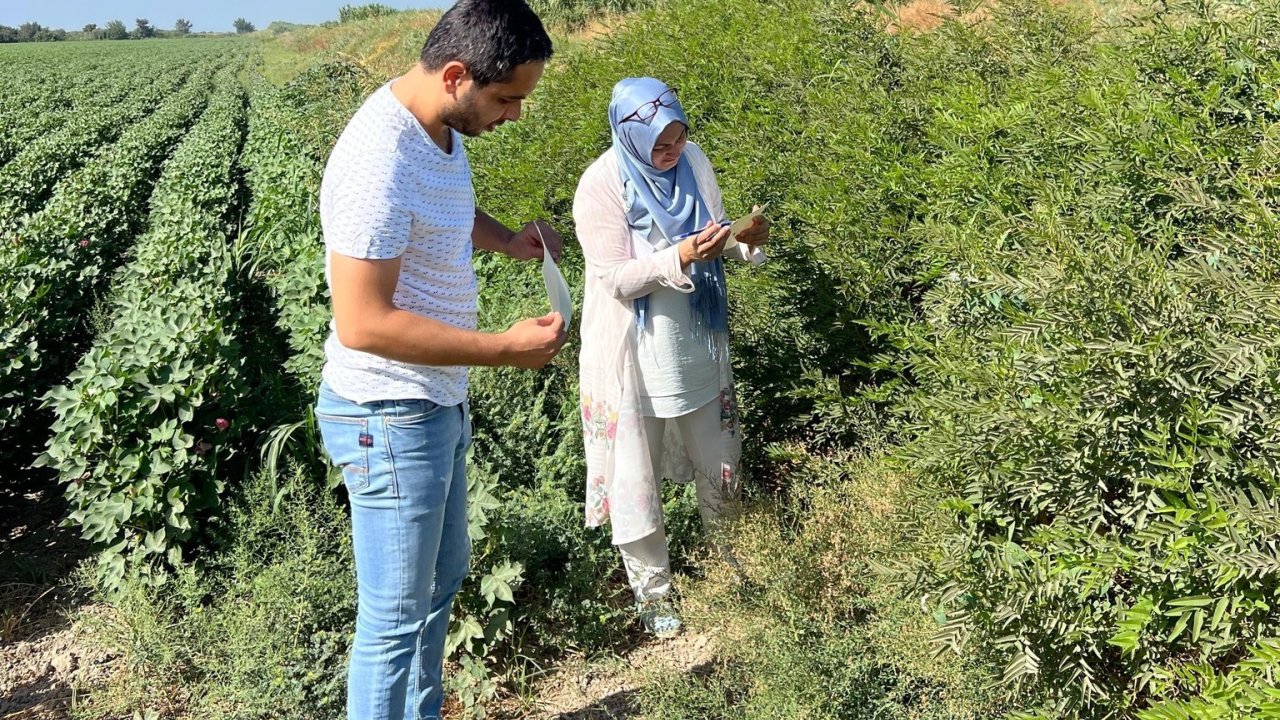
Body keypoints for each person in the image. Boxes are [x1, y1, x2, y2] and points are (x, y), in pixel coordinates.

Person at [313, 1, 566, 717]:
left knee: (438, 587)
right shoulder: (378, 158)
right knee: (394, 621)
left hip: (433, 404)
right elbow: (362, 323)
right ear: (456, 75)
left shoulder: (435, 130)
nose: (515, 114)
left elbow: (443, 213)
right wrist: (502, 350)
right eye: (507, 98)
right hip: (389, 414)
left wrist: (507, 240)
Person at [571, 77, 770, 636]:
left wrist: (747, 238)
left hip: (696, 341)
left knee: (720, 458)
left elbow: (719, 233)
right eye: (659, 145)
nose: (671, 153)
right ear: (629, 137)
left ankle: (733, 574)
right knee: (636, 478)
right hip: (631, 356)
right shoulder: (601, 185)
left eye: (678, 138)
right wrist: (680, 254)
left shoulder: (693, 162)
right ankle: (654, 598)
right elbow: (615, 277)